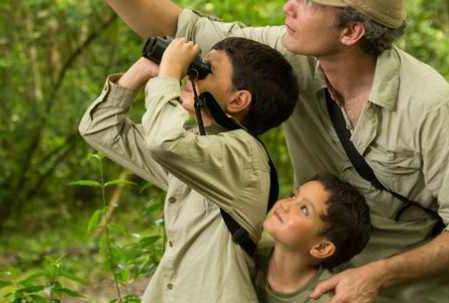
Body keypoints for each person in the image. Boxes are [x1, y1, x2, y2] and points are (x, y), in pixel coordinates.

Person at [42, 0, 449, 302]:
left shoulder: (430, 106)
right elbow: (184, 28)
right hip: (315, 282)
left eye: (309, 0)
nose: (289, 6)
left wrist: (376, 276)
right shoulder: (293, 54)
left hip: (411, 292)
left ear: (351, 32)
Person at [78, 37, 299, 302]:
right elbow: (100, 128)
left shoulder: (244, 156)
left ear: (238, 100)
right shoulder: (198, 148)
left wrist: (169, 74)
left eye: (207, 70)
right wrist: (144, 69)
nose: (192, 74)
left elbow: (163, 142)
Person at [257, 176, 372, 303]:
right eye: (293, 196)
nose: (286, 205)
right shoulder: (250, 255)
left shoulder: (327, 299)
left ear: (321, 248)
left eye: (304, 209)